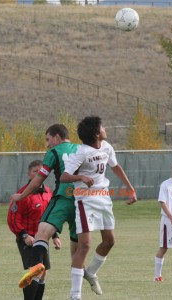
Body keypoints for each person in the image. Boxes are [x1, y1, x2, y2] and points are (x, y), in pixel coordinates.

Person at [60, 116, 137, 300]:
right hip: (85, 200)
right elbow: (64, 176)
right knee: (84, 245)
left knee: (109, 241)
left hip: (103, 198)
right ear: (96, 133)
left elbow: (115, 166)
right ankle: (75, 295)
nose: (105, 128)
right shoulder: (81, 152)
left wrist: (130, 188)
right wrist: (81, 178)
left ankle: (91, 272)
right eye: (102, 126)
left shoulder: (106, 147)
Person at [10, 124, 79, 294]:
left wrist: (21, 196)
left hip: (63, 198)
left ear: (57, 136)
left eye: (48, 140)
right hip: (82, 200)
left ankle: (36, 268)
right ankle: (81, 280)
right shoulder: (82, 149)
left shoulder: (53, 154)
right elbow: (13, 219)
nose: (48, 144)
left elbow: (39, 180)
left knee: (38, 263)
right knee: (78, 246)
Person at [7, 160, 57, 300]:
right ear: (28, 174)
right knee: (35, 271)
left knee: (43, 272)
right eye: (35, 171)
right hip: (27, 239)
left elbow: (50, 216)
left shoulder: (48, 192)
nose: (38, 174)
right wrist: (24, 236)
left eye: (41, 172)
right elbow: (13, 219)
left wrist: (55, 236)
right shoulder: (22, 194)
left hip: (43, 238)